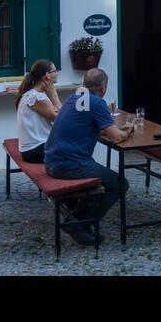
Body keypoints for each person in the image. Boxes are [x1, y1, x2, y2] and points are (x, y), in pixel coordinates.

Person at [44, 69, 132, 244]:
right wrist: (128, 130)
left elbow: (90, 125)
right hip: (70, 165)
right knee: (120, 183)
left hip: (52, 162)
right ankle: (78, 224)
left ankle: (79, 223)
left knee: (102, 178)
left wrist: (114, 130)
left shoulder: (76, 97)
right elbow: (116, 138)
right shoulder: (97, 102)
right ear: (104, 87)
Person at [15, 59, 60, 164]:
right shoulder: (36, 97)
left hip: (35, 148)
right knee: (76, 148)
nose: (57, 73)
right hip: (35, 151)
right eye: (55, 71)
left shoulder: (36, 94)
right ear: (47, 75)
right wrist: (54, 96)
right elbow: (62, 120)